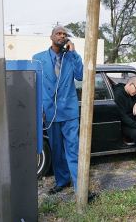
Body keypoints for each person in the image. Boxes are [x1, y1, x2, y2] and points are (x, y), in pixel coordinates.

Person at [33, 26, 83, 194]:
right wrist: (39, 110)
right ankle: (62, 181)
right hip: (50, 112)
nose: (62, 36)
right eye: (59, 33)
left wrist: (74, 53)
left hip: (69, 112)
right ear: (51, 36)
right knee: (56, 150)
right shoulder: (38, 59)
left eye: (64, 34)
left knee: (73, 150)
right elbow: (35, 86)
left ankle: (79, 188)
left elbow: (81, 76)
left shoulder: (71, 58)